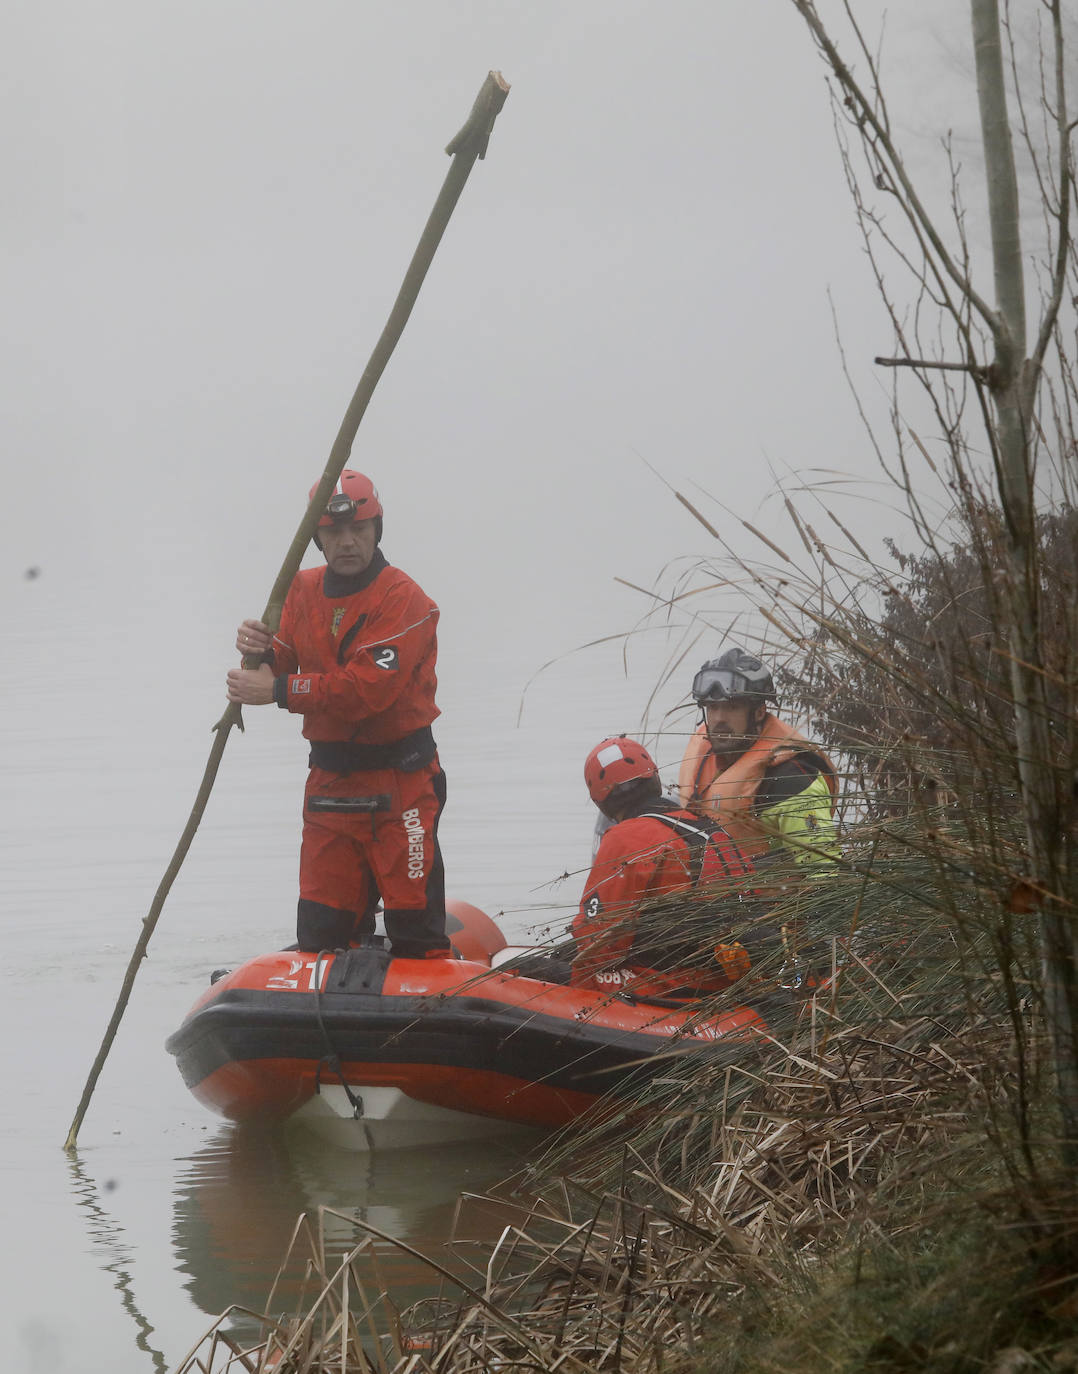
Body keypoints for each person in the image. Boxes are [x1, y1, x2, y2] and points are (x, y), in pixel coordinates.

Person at [226, 470, 451, 959]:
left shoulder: (405, 599)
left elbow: (369, 690)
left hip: (403, 785)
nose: (348, 543)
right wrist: (257, 654)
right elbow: (279, 661)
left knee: (415, 931)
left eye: (360, 530)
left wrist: (280, 689)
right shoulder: (300, 591)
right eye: (334, 533)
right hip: (329, 787)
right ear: (317, 539)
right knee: (321, 933)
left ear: (377, 530)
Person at [571, 735, 761, 997]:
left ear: (600, 803)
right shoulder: (704, 826)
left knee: (550, 970)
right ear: (654, 780)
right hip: (731, 978)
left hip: (678, 983)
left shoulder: (626, 838)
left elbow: (599, 944)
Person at [678, 646, 838, 865]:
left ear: (759, 712)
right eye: (712, 707)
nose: (719, 719)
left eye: (732, 707)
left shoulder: (790, 780)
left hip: (773, 897)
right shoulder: (705, 757)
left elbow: (824, 873)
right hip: (718, 894)